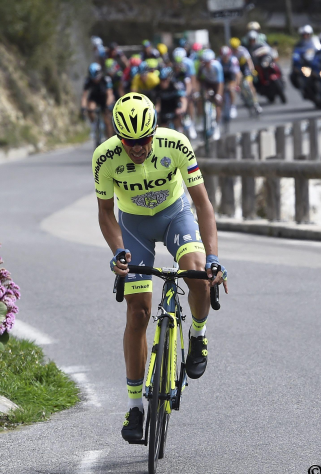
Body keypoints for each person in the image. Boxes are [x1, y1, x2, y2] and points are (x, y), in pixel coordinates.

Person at [91, 92, 228, 441]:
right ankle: (135, 407)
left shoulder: (177, 144)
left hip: (175, 217)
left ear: (155, 130)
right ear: (118, 136)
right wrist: (118, 251)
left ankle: (197, 335)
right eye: (130, 142)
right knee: (137, 313)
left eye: (145, 139)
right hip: (133, 227)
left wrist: (213, 257)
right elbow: (106, 213)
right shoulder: (105, 157)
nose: (138, 148)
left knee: (198, 277)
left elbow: (203, 204)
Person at [81, 62, 115, 141]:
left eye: (96, 78)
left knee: (107, 119)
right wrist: (83, 108)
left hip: (104, 98)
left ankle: (110, 139)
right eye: (93, 78)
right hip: (94, 98)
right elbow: (84, 96)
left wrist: (108, 106)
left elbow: (110, 94)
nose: (95, 80)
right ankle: (94, 126)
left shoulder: (106, 79)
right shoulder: (88, 80)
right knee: (90, 108)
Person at [196, 49, 224, 141]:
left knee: (217, 104)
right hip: (207, 83)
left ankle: (217, 126)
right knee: (201, 100)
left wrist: (218, 95)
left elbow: (220, 82)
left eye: (209, 62)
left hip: (216, 84)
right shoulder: (201, 67)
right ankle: (200, 120)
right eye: (205, 62)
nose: (207, 64)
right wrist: (202, 92)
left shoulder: (217, 66)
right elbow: (199, 80)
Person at [230, 37, 262, 113]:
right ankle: (244, 97)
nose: (235, 50)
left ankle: (255, 102)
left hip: (245, 68)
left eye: (236, 48)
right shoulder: (230, 53)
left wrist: (252, 70)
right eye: (233, 48)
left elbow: (249, 61)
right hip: (236, 70)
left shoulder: (242, 50)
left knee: (249, 84)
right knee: (239, 86)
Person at [172, 47, 197, 139]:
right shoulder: (172, 71)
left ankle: (191, 123)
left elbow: (189, 83)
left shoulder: (186, 68)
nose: (177, 67)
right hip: (176, 92)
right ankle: (179, 128)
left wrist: (188, 93)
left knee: (189, 102)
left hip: (184, 91)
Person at [219, 46, 240, 120]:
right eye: (223, 56)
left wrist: (237, 85)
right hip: (222, 76)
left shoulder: (233, 60)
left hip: (231, 75)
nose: (225, 58)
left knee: (231, 89)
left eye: (226, 56)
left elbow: (238, 74)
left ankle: (232, 106)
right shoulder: (218, 61)